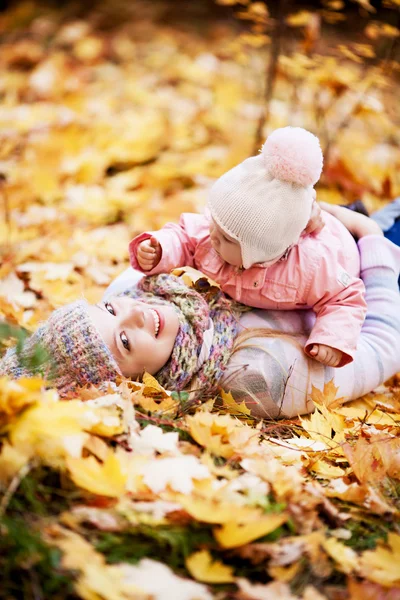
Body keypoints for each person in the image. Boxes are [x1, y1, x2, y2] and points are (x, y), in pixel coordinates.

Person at [1, 204, 399, 419]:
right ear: (131, 389)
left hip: (325, 233)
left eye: (108, 309)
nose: (136, 313)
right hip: (382, 272)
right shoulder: (258, 379)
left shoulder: (142, 287)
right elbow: (383, 345)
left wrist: (315, 213)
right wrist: (371, 239)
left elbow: (203, 233)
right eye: (124, 341)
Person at [130, 127, 367, 369]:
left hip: (342, 244)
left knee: (370, 228)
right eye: (214, 220)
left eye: (228, 238)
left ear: (262, 253)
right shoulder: (213, 233)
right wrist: (160, 249)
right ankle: (329, 209)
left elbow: (345, 298)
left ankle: (351, 215)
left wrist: (332, 339)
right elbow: (183, 237)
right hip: (283, 229)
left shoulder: (309, 269)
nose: (213, 235)